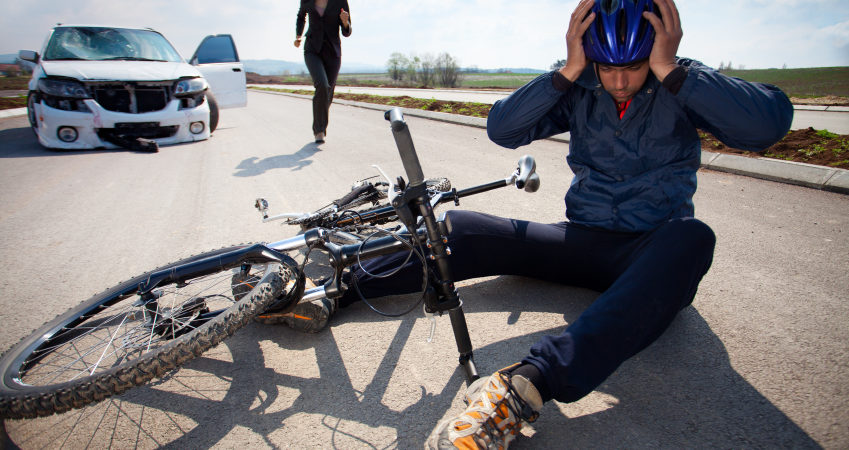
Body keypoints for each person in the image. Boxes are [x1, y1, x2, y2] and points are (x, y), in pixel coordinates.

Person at [287, 0, 794, 447]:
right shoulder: (582, 82)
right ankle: (338, 291)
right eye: (605, 66)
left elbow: (768, 126)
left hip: (653, 251)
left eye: (634, 66)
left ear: (660, 48)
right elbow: (503, 129)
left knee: (694, 239)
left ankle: (526, 386)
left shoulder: (680, 81)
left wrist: (670, 70)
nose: (618, 80)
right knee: (465, 228)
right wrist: (568, 71)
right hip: (582, 240)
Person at [295, 0, 351, 143]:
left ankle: (320, 121)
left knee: (328, 93)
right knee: (322, 85)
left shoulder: (340, 1)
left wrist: (345, 22)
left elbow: (347, 31)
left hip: (333, 52)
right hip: (312, 49)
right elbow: (301, 16)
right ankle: (319, 130)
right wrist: (298, 35)